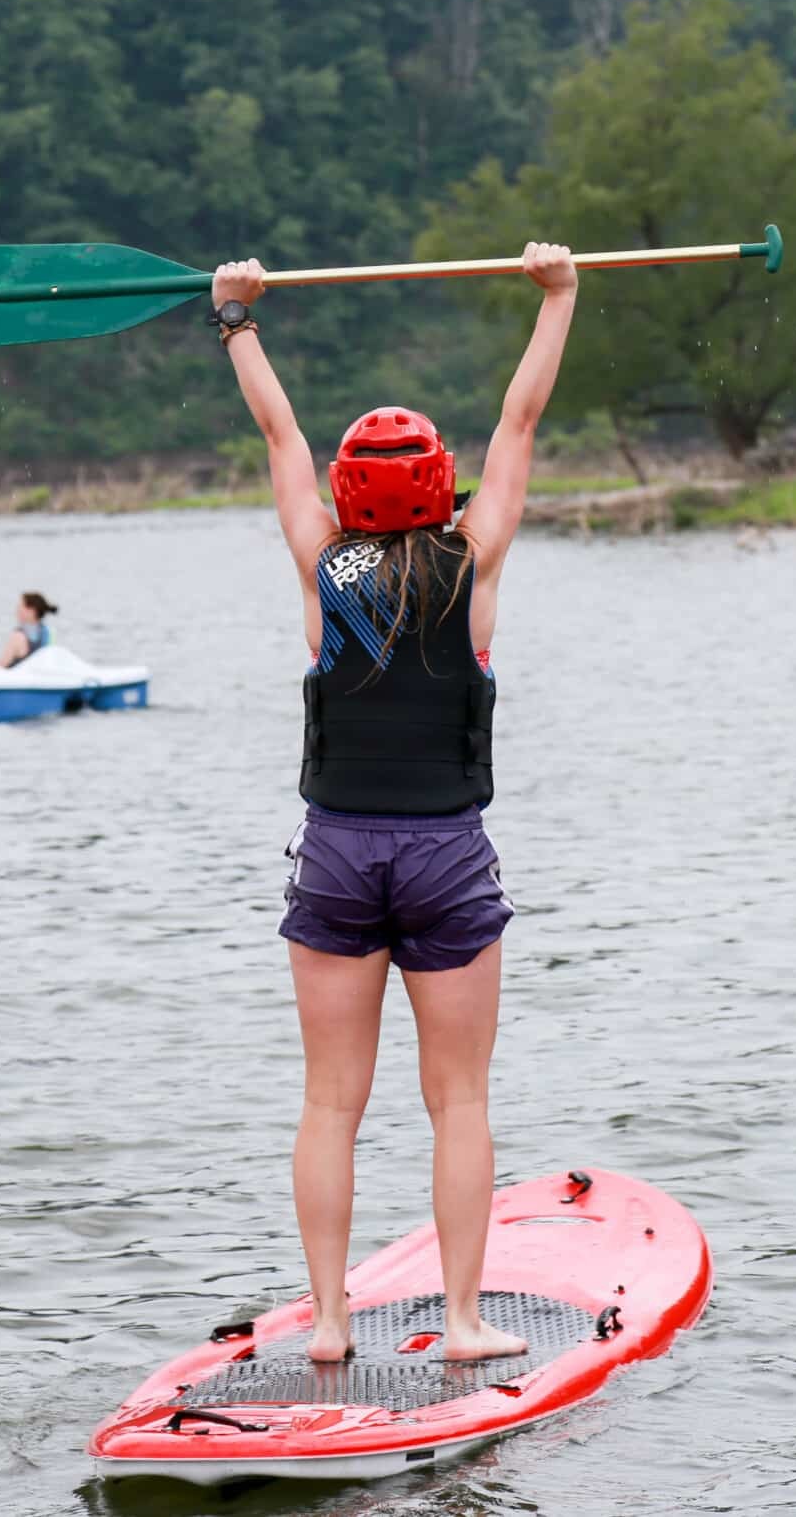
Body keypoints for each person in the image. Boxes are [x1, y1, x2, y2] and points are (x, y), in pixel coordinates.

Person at [212, 241, 577, 1364]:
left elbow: (278, 435)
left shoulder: (321, 563)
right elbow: (518, 427)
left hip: (334, 857)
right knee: (456, 1101)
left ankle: (327, 1326)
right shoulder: (476, 563)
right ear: (439, 484)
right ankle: (462, 1324)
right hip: (445, 861)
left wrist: (236, 320)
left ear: (346, 494)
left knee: (331, 1103)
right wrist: (556, 297)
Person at [0, 592, 58, 668]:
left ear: (32, 611)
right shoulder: (49, 633)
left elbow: (1, 666)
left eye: (20, 606)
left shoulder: (18, 636)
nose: (17, 609)